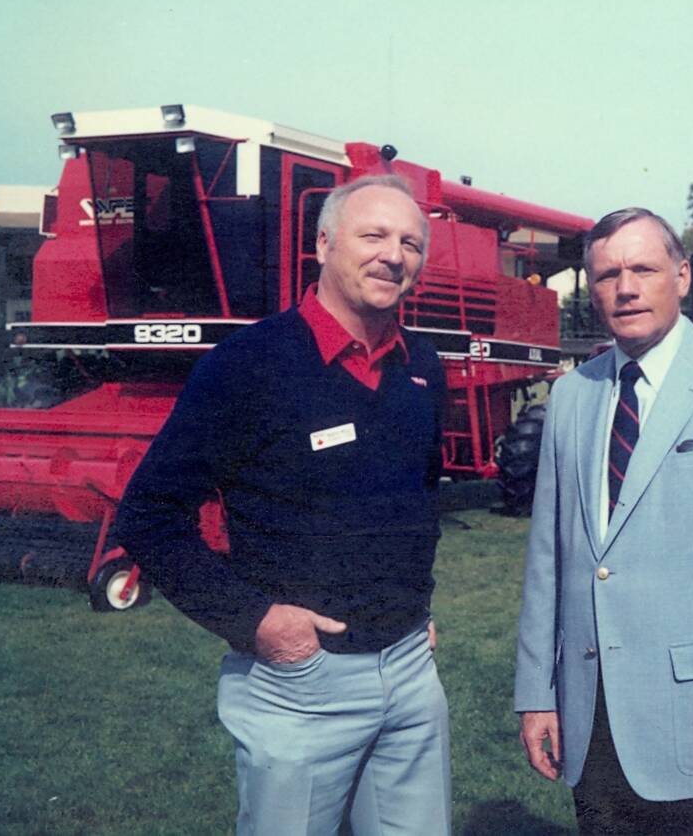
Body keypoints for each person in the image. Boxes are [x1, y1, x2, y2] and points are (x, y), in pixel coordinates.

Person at [114, 174, 452, 836]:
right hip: (301, 685)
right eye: (373, 235)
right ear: (323, 244)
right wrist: (255, 619)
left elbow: (418, 499)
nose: (393, 254)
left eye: (410, 242)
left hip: (411, 677)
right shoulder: (249, 364)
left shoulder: (423, 367)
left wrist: (418, 609)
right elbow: (149, 516)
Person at [514, 207, 693, 834]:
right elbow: (549, 558)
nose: (625, 287)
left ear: (680, 276)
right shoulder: (573, 395)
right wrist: (537, 693)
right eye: (606, 274)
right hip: (588, 717)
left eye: (643, 269)